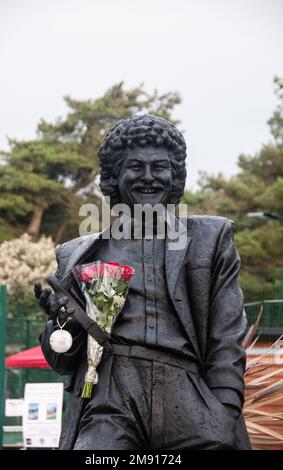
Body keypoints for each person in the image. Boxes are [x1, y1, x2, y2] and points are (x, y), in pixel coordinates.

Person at [35, 115, 251, 450]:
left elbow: (226, 333)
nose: (148, 177)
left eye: (160, 167)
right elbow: (63, 362)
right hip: (111, 397)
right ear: (115, 177)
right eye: (135, 167)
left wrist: (225, 408)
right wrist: (63, 324)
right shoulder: (77, 253)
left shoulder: (210, 238)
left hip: (188, 393)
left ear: (174, 175)